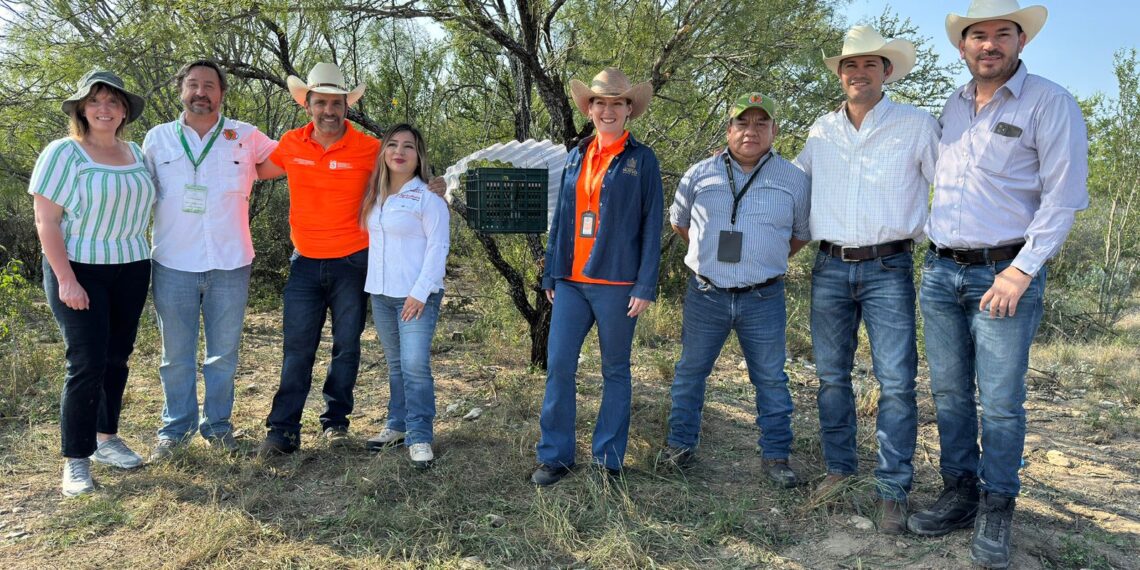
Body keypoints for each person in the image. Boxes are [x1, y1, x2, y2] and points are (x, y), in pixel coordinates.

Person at [906, 2, 1089, 567]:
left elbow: (1064, 199)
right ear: (962, 47)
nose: (989, 45)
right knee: (950, 394)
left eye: (1001, 35)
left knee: (1003, 404)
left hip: (1003, 275)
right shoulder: (952, 106)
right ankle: (959, 493)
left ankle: (998, 505)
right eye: (977, 36)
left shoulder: (1051, 103)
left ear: (1020, 42)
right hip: (940, 271)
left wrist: (1020, 270)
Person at [794, 26, 940, 532]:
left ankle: (893, 487)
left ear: (888, 71)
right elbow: (794, 189)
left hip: (888, 267)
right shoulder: (819, 131)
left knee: (897, 383)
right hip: (830, 266)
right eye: (850, 65)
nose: (859, 73)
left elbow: (952, 185)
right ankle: (839, 468)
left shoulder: (917, 125)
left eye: (870, 64)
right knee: (832, 377)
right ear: (840, 74)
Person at [660, 93, 810, 488]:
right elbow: (680, 225)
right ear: (729, 130)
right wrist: (709, 255)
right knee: (690, 373)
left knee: (771, 379)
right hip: (706, 294)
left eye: (762, 124)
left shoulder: (794, 179)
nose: (751, 131)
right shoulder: (699, 174)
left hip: (764, 297)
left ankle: (776, 456)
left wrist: (762, 260)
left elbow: (798, 236)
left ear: (774, 131)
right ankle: (679, 447)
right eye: (742, 123)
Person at [531, 67, 663, 487]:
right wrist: (552, 271)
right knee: (559, 367)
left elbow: (651, 223)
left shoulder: (641, 160)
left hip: (618, 284)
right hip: (570, 282)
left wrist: (645, 284)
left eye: (617, 103)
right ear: (589, 109)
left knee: (615, 371)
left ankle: (609, 459)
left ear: (629, 110)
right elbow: (563, 218)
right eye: (600, 102)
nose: (608, 110)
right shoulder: (576, 155)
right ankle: (556, 456)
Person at [143, 60, 277, 460]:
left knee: (223, 356)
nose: (201, 92)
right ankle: (175, 430)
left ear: (222, 93)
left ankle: (218, 428)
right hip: (172, 263)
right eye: (193, 84)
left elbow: (296, 161)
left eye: (210, 86)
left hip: (230, 264)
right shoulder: (158, 139)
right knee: (175, 357)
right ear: (181, 89)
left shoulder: (246, 136)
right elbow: (134, 192)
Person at [29, 70, 154, 496]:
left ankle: (106, 438)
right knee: (86, 363)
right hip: (80, 269)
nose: (105, 109)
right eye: (95, 101)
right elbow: (46, 222)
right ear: (82, 108)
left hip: (132, 266)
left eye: (113, 102)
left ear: (124, 111)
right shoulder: (64, 153)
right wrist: (66, 280)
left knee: (117, 357)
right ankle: (76, 460)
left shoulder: (136, 152)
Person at [255, 62, 378, 455]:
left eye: (336, 103)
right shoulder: (291, 144)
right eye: (321, 102)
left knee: (347, 347)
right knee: (297, 349)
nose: (329, 110)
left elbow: (405, 174)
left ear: (347, 106)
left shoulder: (369, 149)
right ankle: (283, 431)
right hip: (304, 263)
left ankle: (335, 423)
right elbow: (253, 171)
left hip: (352, 263)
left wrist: (433, 182)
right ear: (307, 105)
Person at [358, 124, 450, 467]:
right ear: (383, 152)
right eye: (393, 145)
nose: (399, 151)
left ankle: (420, 434)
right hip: (381, 294)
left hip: (417, 296)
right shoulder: (375, 195)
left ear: (418, 156)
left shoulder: (428, 198)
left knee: (414, 365)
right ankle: (397, 425)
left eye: (408, 146)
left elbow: (439, 248)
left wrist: (419, 293)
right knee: (396, 365)